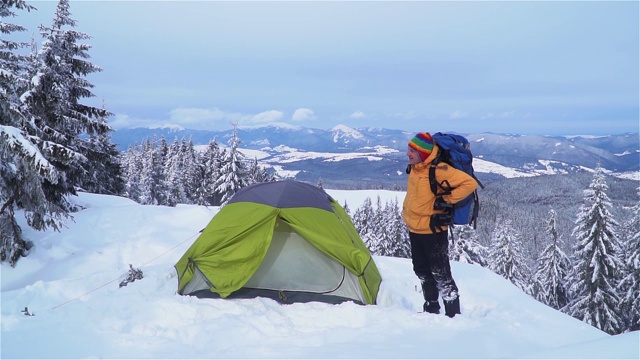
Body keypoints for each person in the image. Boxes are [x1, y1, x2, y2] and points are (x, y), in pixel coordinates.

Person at [402, 132, 478, 318]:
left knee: (441, 274)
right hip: (415, 228)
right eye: (409, 149)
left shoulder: (439, 169)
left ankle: (454, 315)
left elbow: (470, 183)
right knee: (421, 270)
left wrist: (447, 199)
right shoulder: (415, 168)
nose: (408, 154)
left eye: (412, 150)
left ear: (423, 153)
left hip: (433, 230)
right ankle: (431, 309)